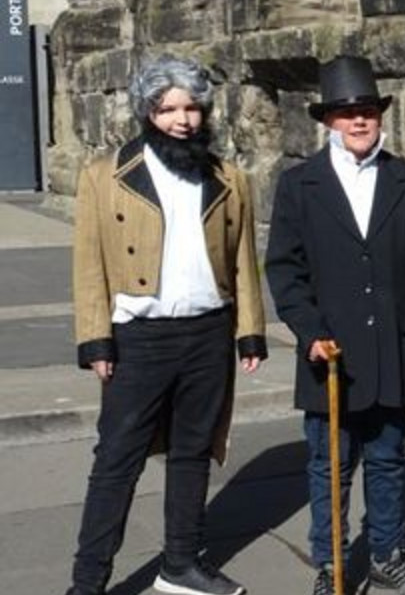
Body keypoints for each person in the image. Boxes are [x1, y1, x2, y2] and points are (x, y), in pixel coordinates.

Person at [67, 56, 267, 595]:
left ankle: (180, 565)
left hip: (207, 334)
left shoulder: (228, 178)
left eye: (192, 108)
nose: (182, 120)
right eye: (168, 109)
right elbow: (89, 264)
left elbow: (243, 262)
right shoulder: (104, 176)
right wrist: (95, 338)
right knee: (116, 461)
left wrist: (250, 329)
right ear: (147, 112)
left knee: (193, 451)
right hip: (139, 338)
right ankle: (88, 583)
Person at [265, 55, 405, 595]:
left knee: (389, 458)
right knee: (331, 466)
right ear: (328, 121)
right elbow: (285, 270)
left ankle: (389, 554)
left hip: (394, 346)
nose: (359, 121)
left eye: (367, 110)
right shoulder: (301, 184)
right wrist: (309, 330)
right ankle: (331, 564)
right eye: (347, 113)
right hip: (331, 353)